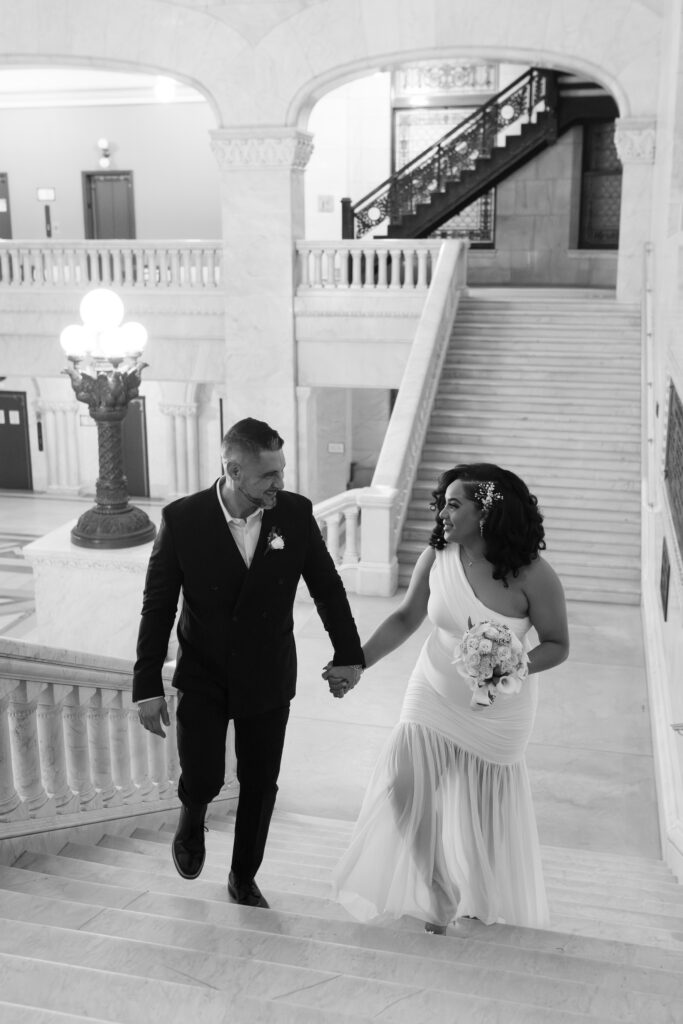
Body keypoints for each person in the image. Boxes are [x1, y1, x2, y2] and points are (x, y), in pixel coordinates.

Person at [326, 463, 569, 933]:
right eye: (443, 502)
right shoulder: (437, 558)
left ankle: (480, 897)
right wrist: (356, 665)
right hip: (432, 689)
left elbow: (558, 644)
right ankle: (437, 885)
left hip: (500, 711)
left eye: (454, 504)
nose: (442, 512)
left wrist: (512, 665)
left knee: (484, 818)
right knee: (403, 784)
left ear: (487, 512)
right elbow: (404, 618)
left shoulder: (534, 576)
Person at [133, 417, 363, 908]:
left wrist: (349, 655)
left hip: (267, 673)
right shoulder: (182, 519)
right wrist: (147, 684)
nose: (280, 483)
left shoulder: (295, 515)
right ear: (233, 470)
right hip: (202, 675)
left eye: (281, 471)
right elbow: (158, 606)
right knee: (205, 776)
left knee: (261, 783)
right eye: (268, 476)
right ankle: (191, 818)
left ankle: (243, 876)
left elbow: (327, 587)